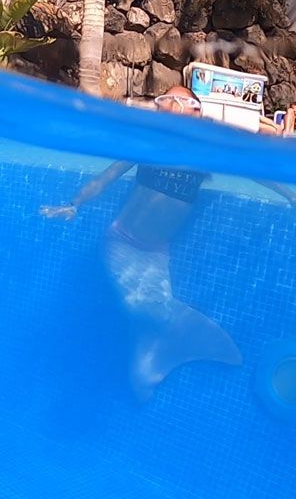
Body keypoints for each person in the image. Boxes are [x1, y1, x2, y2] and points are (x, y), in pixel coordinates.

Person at [40, 85, 296, 401]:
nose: (168, 106)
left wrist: (291, 195)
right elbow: (106, 177)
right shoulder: (148, 142)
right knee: (147, 308)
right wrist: (75, 203)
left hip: (157, 253)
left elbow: (257, 171)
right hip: (121, 241)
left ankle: (152, 364)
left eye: (177, 100)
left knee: (149, 337)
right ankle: (189, 344)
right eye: (163, 100)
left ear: (196, 111)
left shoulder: (208, 149)